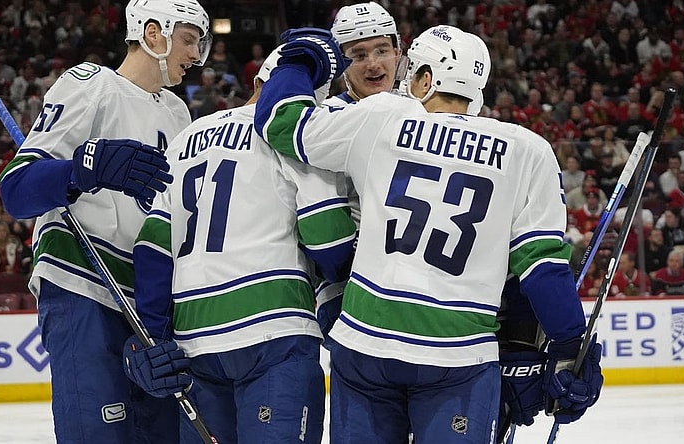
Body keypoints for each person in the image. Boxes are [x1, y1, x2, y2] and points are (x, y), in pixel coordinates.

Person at [253, 25, 603, 443]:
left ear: (425, 80)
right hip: (457, 355)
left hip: (366, 345)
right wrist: (569, 348)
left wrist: (299, 59)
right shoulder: (528, 149)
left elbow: (282, 125)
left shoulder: (383, 115)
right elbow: (543, 268)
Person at [0, 1, 212, 442]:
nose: (195, 55)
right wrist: (82, 170)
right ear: (154, 33)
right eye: (189, 40)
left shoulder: (178, 113)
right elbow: (17, 189)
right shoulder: (90, 83)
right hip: (84, 281)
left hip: (148, 301)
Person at [129, 48, 356, 443]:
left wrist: (154, 335)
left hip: (194, 339)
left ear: (256, 83)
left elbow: (152, 246)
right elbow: (327, 236)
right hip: (274, 332)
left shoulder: (187, 137)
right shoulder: (298, 134)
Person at [316, 0, 401, 350]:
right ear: (339, 64)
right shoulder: (326, 119)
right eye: (358, 54)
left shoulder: (421, 115)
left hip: (416, 280)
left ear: (399, 52)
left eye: (382, 49)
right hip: (347, 283)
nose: (373, 64)